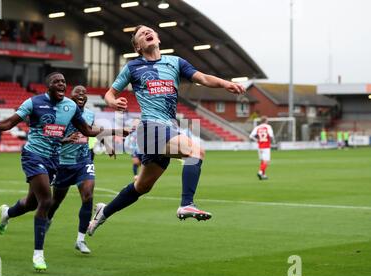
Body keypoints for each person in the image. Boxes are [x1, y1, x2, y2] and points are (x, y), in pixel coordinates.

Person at [86, 25, 245, 236]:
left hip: (167, 128)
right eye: (142, 34)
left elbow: (203, 78)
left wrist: (226, 84)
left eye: (149, 31)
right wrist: (113, 102)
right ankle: (186, 203)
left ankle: (104, 212)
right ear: (138, 47)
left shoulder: (175, 62)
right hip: (150, 127)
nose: (147, 34)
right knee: (196, 151)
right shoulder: (133, 67)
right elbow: (109, 94)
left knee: (142, 187)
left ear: (158, 38)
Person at [0, 72, 127, 272]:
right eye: (57, 81)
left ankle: (7, 213)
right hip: (33, 156)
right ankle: (38, 254)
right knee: (46, 201)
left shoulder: (70, 107)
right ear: (49, 86)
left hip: (54, 160)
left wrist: (114, 132)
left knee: (32, 203)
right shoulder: (33, 102)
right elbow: (10, 123)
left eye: (63, 81)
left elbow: (87, 131)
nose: (61, 84)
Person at [47, 85, 96, 254]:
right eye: (78, 93)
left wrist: (99, 150)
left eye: (84, 93)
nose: (82, 95)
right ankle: (47, 219)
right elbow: (50, 138)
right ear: (71, 96)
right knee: (55, 201)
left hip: (83, 161)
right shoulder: (62, 113)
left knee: (88, 195)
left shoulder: (90, 114)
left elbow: (89, 135)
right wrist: (66, 140)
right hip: (63, 163)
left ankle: (80, 239)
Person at [249, 116, 274, 180]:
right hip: (266, 146)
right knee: (266, 161)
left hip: (260, 146)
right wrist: (272, 141)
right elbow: (271, 136)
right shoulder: (268, 127)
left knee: (262, 161)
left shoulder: (257, 127)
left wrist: (257, 140)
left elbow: (251, 136)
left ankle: (263, 175)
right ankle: (260, 172)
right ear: (266, 121)